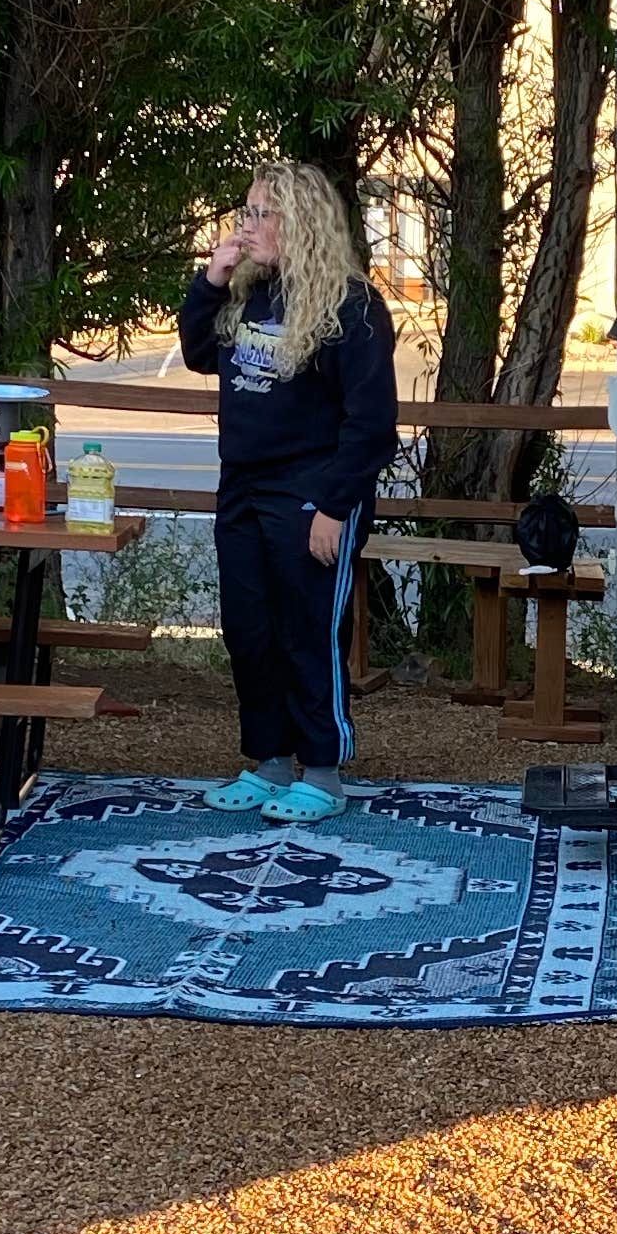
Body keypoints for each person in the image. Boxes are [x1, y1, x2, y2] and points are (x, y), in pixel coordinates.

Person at [178, 163, 398, 817]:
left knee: (308, 630)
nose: (246, 227)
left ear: (298, 221)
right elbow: (196, 351)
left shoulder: (351, 306)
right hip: (243, 486)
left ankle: (323, 771)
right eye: (244, 212)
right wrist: (212, 278)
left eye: (259, 214)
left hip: (313, 490)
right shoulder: (251, 295)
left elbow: (371, 424)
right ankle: (270, 762)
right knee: (249, 629)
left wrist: (334, 507)